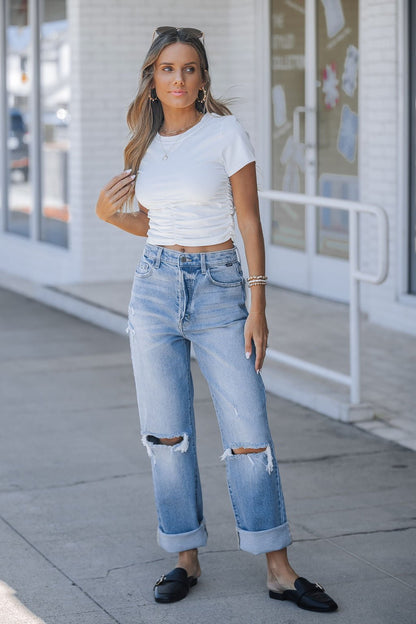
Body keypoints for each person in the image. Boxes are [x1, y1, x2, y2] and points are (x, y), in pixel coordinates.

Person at [95, 26, 338, 613]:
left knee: (249, 430)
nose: (179, 80)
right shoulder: (145, 145)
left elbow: (249, 222)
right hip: (154, 289)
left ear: (203, 78)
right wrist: (107, 215)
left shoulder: (226, 133)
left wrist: (258, 304)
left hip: (219, 288)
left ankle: (278, 567)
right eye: (168, 70)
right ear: (152, 80)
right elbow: (156, 227)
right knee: (167, 434)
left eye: (190, 69)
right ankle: (185, 556)